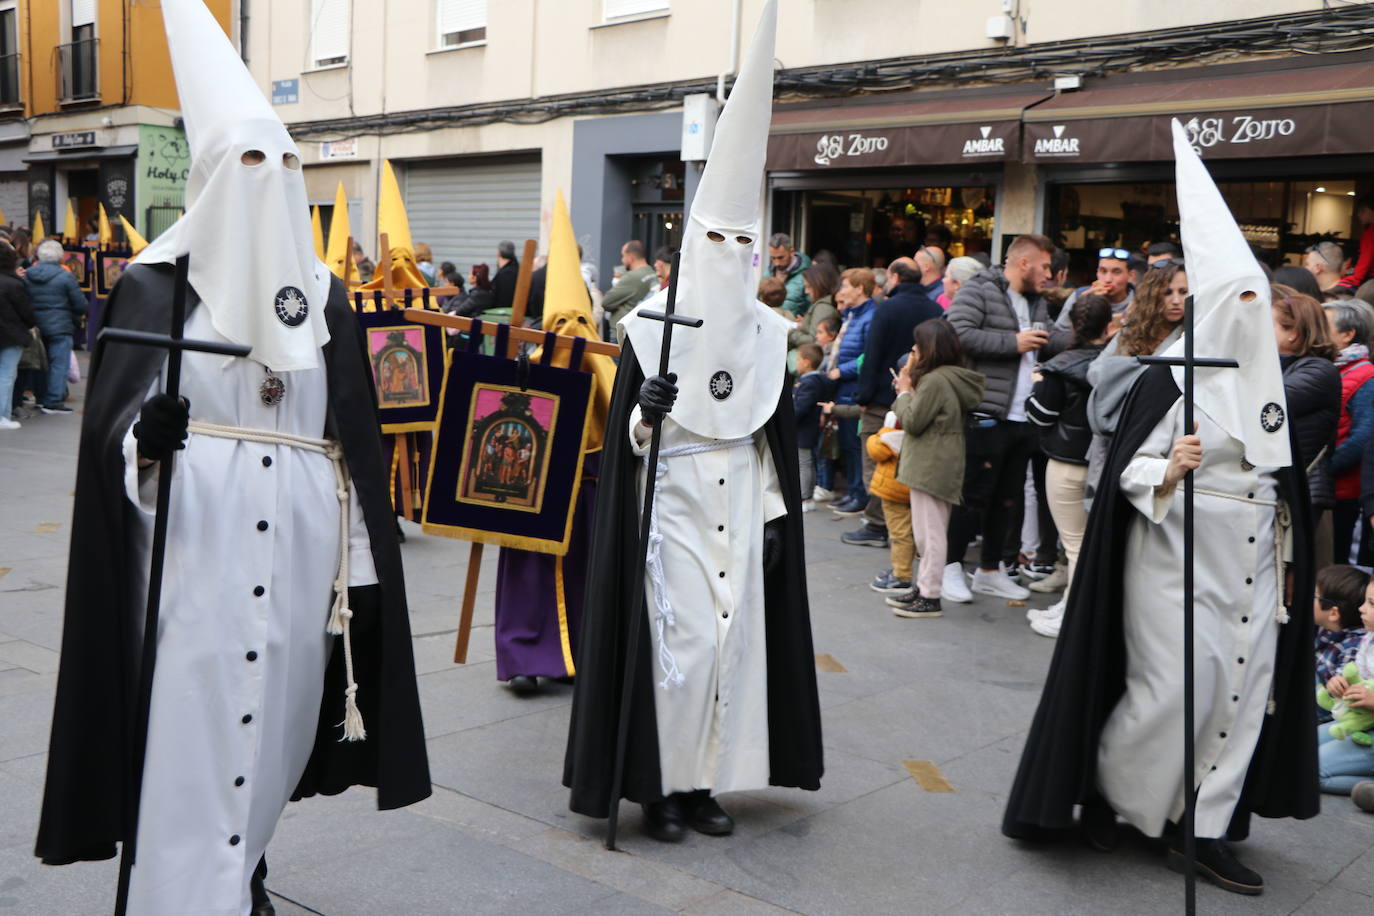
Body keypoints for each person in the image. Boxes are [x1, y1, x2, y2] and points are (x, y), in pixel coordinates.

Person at [34, 2, 432, 912]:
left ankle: (244, 866)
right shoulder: (154, 286)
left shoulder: (326, 296)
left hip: (296, 548)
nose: (271, 177)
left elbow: (349, 445)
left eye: (286, 160)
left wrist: (361, 569)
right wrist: (148, 438)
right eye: (251, 159)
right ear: (214, 173)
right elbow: (114, 444)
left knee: (280, 724)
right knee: (190, 719)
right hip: (191, 542)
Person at [1003, 120, 1317, 897]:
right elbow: (1126, 474)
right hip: (1173, 554)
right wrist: (1163, 469)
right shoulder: (1164, 379)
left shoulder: (1271, 389)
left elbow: (1286, 480)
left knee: (1239, 694)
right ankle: (1122, 795)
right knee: (1173, 690)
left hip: (1249, 563)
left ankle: (1201, 826)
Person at [564, 1, 823, 844]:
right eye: (712, 238)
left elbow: (771, 437)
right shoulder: (648, 326)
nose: (726, 255)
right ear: (690, 237)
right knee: (678, 648)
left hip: (742, 503)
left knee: (731, 647)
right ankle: (660, 787)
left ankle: (710, 782)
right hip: (670, 500)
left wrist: (779, 515)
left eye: (739, 242)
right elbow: (625, 442)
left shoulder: (771, 335)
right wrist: (642, 417)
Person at [493, 192, 616, 694]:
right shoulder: (531, 362)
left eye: (578, 323)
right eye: (560, 324)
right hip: (533, 488)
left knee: (588, 573)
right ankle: (523, 654)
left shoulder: (609, 362)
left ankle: (584, 651)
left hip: (587, 489)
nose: (570, 334)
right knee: (528, 576)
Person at [944, 233, 1069, 603]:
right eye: (1045, 266)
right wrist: (1012, 343)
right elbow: (957, 334)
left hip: (1023, 415)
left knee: (1008, 499)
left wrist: (1089, 331)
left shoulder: (1035, 301)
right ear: (1024, 263)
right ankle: (949, 567)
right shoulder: (979, 289)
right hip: (985, 411)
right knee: (972, 496)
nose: (1050, 273)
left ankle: (990, 570)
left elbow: (1048, 341)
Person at [1023, 294, 1113, 639]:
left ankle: (1073, 618)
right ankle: (1070, 606)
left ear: (1073, 325)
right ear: (1109, 325)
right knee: (1083, 543)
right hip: (1100, 460)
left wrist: (1034, 388)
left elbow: (1041, 416)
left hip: (1065, 462)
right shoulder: (1117, 362)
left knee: (1075, 545)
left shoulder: (1058, 366)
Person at [885, 319, 985, 618]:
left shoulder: (935, 380)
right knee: (928, 531)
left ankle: (930, 595)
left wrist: (903, 393)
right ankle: (924, 586)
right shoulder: (950, 377)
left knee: (930, 533)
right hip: (941, 460)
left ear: (929, 348)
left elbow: (914, 421)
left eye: (917, 344)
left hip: (931, 463)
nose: (913, 349)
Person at [843, 258, 942, 548]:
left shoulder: (885, 308)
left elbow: (871, 354)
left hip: (881, 396)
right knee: (905, 460)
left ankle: (877, 523)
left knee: (875, 457)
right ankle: (898, 522)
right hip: (919, 395)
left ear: (896, 278)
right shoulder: (935, 308)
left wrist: (863, 396)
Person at [1083, 261, 1188, 504]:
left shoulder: (1190, 338)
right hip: (1112, 435)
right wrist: (1140, 373)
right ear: (1152, 295)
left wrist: (1125, 374)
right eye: (1167, 292)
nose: (1175, 300)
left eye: (1183, 292)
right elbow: (1095, 372)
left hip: (1158, 442)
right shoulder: (1132, 330)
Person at [1272, 285, 1341, 567]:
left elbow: (1268, 403)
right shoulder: (1284, 366)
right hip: (1286, 495)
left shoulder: (1319, 371)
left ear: (1294, 332)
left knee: (1294, 589)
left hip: (1303, 502)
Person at [1325, 300, 1374, 564]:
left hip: (1347, 494)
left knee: (1340, 565)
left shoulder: (1365, 376)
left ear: (1348, 335)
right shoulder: (1332, 370)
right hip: (1331, 490)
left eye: (1325, 326)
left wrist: (1325, 468)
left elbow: (1363, 439)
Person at [827, 268, 878, 516]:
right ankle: (852, 491)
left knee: (856, 446)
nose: (841, 291)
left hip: (853, 386)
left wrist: (842, 371)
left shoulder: (870, 317)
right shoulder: (852, 315)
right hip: (844, 387)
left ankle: (860, 494)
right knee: (848, 444)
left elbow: (868, 356)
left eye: (846, 286)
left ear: (860, 289)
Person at [1317, 575, 1374, 795]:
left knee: (1313, 773)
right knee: (1299, 758)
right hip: (1357, 723)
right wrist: (1338, 684)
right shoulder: (1368, 638)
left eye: (1372, 604)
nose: (1361, 609)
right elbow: (1356, 674)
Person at [25, 238, 87, 415]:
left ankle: (40, 397)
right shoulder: (65, 276)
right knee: (59, 364)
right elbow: (80, 304)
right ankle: (53, 400)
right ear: (60, 257)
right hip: (60, 325)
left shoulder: (28, 274)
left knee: (39, 362)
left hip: (35, 325)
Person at [864, 412, 914, 597]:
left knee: (899, 532)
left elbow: (877, 450)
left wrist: (877, 436)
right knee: (910, 532)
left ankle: (902, 576)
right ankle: (900, 571)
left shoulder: (895, 423)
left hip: (894, 487)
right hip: (909, 484)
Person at [1314, 564, 1369, 724]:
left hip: (1327, 717)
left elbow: (1340, 700)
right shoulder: (1324, 628)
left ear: (1333, 613)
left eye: (1314, 596)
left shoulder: (1353, 647)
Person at [0, 241, 35, 430]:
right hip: (11, 334)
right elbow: (27, 313)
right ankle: (2, 416)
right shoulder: (14, 284)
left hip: (9, 333)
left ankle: (4, 415)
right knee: (6, 375)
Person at [1055, 247, 1134, 329]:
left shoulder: (1141, 302)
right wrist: (1083, 306)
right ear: (1097, 273)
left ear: (1131, 276)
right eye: (1103, 271)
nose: (1108, 279)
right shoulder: (1080, 296)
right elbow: (1057, 336)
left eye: (1116, 272)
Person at [793, 342, 828, 511]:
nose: (796, 362)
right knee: (806, 462)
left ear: (806, 362)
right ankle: (807, 495)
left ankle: (804, 498)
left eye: (798, 359)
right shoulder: (810, 380)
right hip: (806, 429)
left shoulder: (810, 382)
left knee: (804, 463)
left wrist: (789, 419)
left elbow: (801, 407)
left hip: (805, 430)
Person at [601, 239, 658, 332]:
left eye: (623, 256)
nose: (622, 260)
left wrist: (620, 306)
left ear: (631, 257)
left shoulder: (632, 277)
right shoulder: (652, 273)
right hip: (639, 330)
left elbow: (606, 302)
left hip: (622, 332)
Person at [788, 262, 840, 351]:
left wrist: (790, 333)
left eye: (809, 287)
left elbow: (814, 339)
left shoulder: (823, 307)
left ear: (819, 285)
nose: (806, 292)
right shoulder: (822, 304)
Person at [768, 232, 811, 317]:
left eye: (781, 257)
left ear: (791, 252)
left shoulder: (807, 274)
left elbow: (812, 306)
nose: (777, 263)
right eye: (773, 258)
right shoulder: (768, 272)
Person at [1338, 196, 1374, 291]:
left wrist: (1354, 279)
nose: (1358, 215)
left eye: (1361, 211)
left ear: (1368, 210)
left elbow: (1366, 259)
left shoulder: (1371, 233)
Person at [492, 239, 520, 311]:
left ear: (498, 253)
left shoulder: (505, 274)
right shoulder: (518, 269)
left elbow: (503, 300)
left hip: (504, 315)